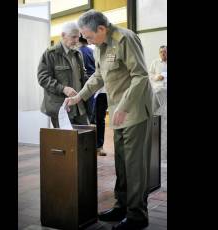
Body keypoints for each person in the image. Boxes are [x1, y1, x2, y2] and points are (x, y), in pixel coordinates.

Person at [64, 10, 153, 230]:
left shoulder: (125, 39)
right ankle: (122, 206)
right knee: (121, 164)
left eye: (89, 36)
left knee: (134, 166)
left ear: (101, 29)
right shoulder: (100, 47)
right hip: (118, 112)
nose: (87, 40)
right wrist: (79, 96)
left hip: (134, 111)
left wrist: (123, 106)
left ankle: (137, 216)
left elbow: (140, 76)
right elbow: (99, 76)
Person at [37, 22, 89, 128]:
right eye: (73, 37)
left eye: (78, 37)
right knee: (65, 142)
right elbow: (43, 78)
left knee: (84, 140)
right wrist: (63, 89)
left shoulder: (77, 54)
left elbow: (82, 76)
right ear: (63, 35)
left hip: (79, 106)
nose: (76, 41)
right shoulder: (50, 54)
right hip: (61, 108)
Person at [78, 36, 108, 156]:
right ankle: (99, 146)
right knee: (99, 119)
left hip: (88, 90)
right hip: (101, 90)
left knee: (86, 120)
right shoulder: (93, 51)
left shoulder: (78, 52)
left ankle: (86, 147)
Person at [148, 45, 167, 115]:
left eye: (164, 52)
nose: (163, 53)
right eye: (161, 52)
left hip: (166, 90)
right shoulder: (155, 62)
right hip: (157, 90)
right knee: (157, 111)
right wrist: (157, 77)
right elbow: (150, 75)